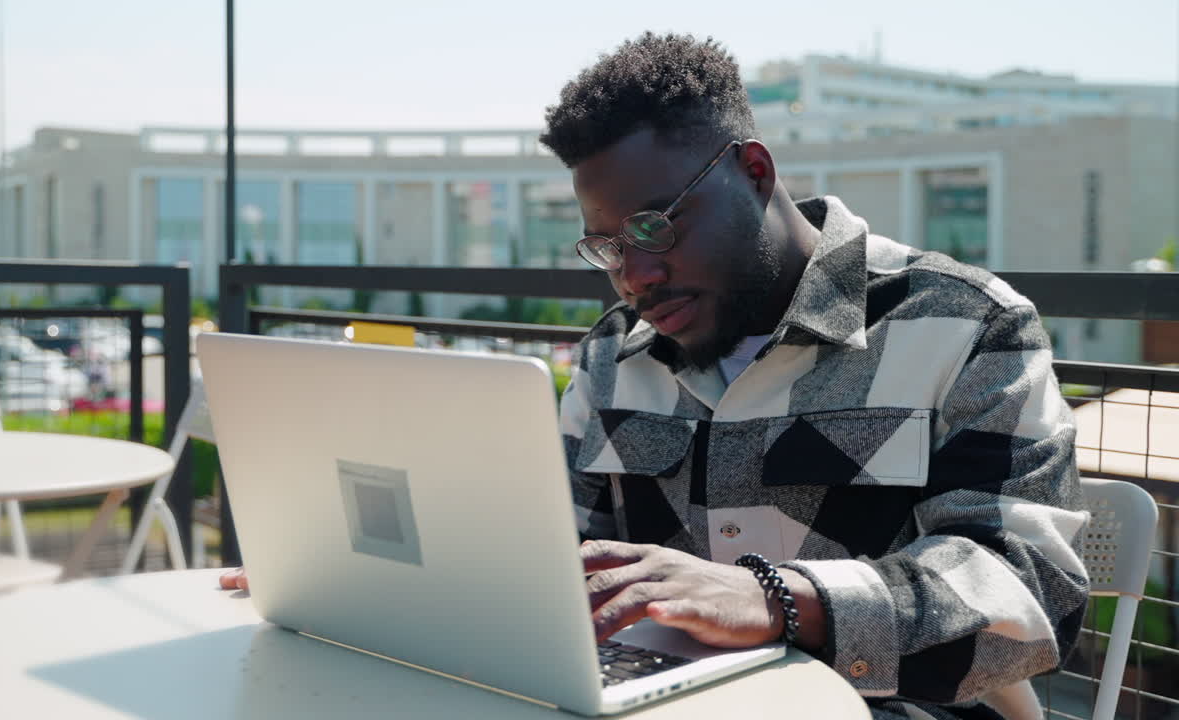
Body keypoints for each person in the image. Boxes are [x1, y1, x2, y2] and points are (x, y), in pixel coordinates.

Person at [225, 33, 1088, 719]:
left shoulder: (964, 323)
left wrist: (778, 602)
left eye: (653, 227)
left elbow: (1031, 594)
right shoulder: (612, 355)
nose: (633, 277)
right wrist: (364, 579)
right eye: (608, 246)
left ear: (754, 172)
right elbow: (550, 562)